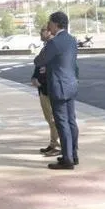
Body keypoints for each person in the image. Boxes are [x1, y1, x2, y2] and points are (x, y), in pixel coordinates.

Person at [33, 11, 79, 169]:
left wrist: (46, 44)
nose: (48, 26)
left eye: (50, 23)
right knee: (71, 121)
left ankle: (67, 160)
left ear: (56, 24)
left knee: (62, 122)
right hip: (71, 85)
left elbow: (39, 60)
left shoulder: (54, 42)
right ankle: (73, 154)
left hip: (58, 86)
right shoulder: (72, 40)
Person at [31, 27, 60, 157]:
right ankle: (53, 143)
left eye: (42, 31)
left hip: (50, 88)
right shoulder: (46, 47)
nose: (40, 34)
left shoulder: (53, 47)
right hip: (42, 88)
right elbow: (39, 65)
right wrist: (34, 77)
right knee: (49, 118)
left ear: (49, 32)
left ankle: (57, 145)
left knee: (54, 119)